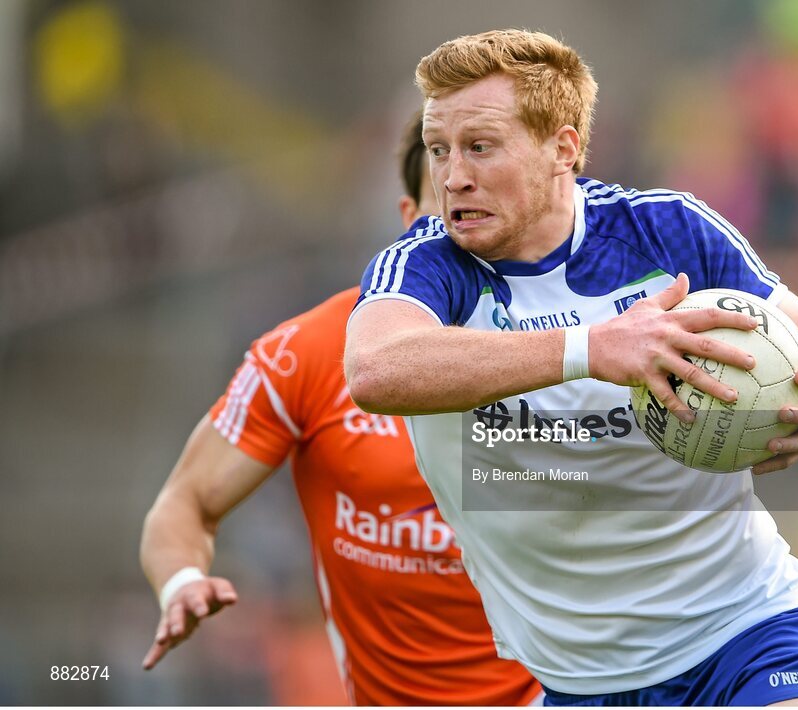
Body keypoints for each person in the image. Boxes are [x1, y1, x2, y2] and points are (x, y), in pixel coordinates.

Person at [345, 30, 798, 706]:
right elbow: (375, 370)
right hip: (581, 684)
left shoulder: (667, 232)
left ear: (563, 150)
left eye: (480, 147)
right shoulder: (426, 264)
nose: (453, 176)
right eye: (439, 150)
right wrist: (591, 347)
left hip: (751, 631)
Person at [139, 111, 542, 706]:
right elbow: (185, 503)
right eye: (452, 211)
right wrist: (181, 582)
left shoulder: (573, 350)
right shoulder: (307, 352)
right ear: (408, 221)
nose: (474, 236)